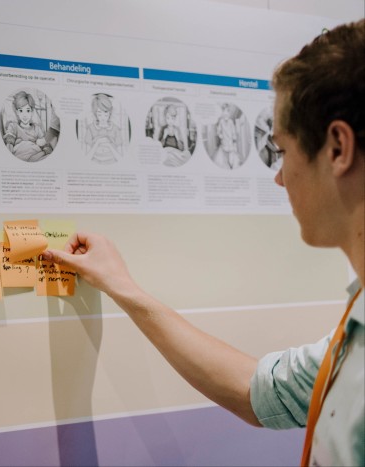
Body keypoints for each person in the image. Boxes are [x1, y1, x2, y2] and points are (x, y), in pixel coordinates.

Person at [43, 19, 364, 467]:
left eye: (282, 152)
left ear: (336, 149)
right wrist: (124, 287)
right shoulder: (357, 326)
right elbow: (258, 391)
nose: (279, 177)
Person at [4, 90, 52, 162]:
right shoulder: (13, 126)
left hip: (37, 155)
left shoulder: (37, 128)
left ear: (32, 112)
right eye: (21, 111)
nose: (24, 115)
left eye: (28, 110)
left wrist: (41, 153)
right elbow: (9, 144)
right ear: (17, 112)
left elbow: (46, 147)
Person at [83, 93, 122, 164]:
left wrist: (109, 146)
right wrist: (97, 143)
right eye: (99, 114)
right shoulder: (90, 128)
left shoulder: (116, 129)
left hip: (112, 164)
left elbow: (120, 158)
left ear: (110, 112)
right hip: (93, 163)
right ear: (95, 113)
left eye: (106, 113)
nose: (103, 117)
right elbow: (86, 157)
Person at [214, 103, 242, 169]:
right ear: (222, 114)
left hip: (230, 141)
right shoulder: (221, 122)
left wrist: (234, 137)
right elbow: (218, 131)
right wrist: (220, 135)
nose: (226, 113)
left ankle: (231, 164)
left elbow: (233, 131)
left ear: (229, 113)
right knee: (225, 154)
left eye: (227, 111)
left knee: (231, 154)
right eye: (224, 112)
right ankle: (228, 164)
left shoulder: (231, 122)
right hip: (224, 141)